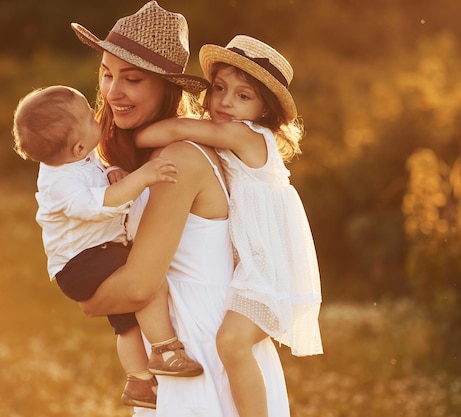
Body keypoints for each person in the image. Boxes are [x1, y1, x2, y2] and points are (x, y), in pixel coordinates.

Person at [70, 1, 291, 416]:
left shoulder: (182, 159)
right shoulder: (148, 159)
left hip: (203, 349)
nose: (113, 91)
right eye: (106, 73)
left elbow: (137, 286)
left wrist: (90, 297)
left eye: (131, 79)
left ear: (167, 86)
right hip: (176, 351)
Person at [135, 34, 324, 417]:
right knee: (233, 345)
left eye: (243, 96)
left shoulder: (245, 135)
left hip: (270, 271)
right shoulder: (233, 138)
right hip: (256, 266)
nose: (224, 101)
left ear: (264, 111)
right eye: (219, 88)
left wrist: (135, 135)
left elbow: (168, 132)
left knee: (232, 344)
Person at [11, 85, 204, 411]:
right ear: (78, 145)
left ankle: (139, 381)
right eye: (89, 114)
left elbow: (93, 172)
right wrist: (141, 178)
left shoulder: (75, 159)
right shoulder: (59, 183)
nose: (96, 113)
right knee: (147, 277)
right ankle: (165, 349)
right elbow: (95, 205)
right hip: (81, 263)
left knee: (127, 323)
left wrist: (111, 170)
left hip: (89, 258)